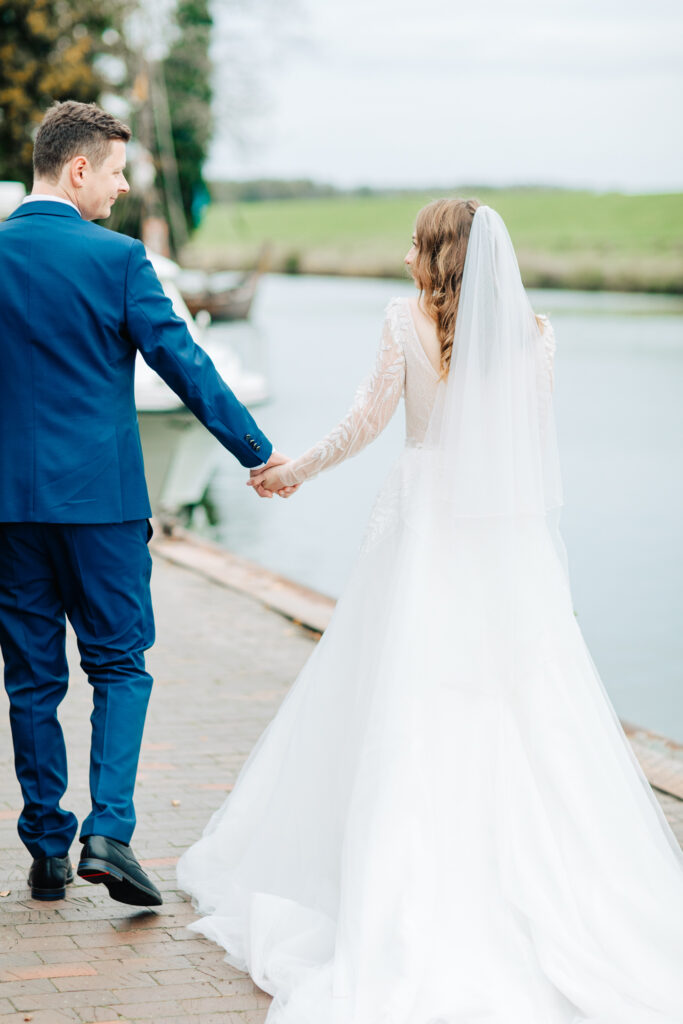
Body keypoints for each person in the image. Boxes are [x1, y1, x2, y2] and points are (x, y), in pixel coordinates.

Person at [178, 200, 683, 1023]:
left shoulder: (398, 321)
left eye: (413, 242)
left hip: (421, 533)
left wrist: (292, 468)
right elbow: (529, 447)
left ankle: (398, 881)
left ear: (437, 255)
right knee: (510, 706)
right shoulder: (537, 334)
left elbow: (365, 424)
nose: (403, 252)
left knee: (403, 701)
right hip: (502, 539)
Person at [0, 100, 289, 907]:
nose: (124, 190)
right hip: (101, 503)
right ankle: (109, 833)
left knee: (31, 678)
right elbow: (185, 365)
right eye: (118, 172)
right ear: (79, 168)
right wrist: (258, 453)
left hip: (9, 510)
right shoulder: (120, 261)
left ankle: (47, 848)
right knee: (120, 665)